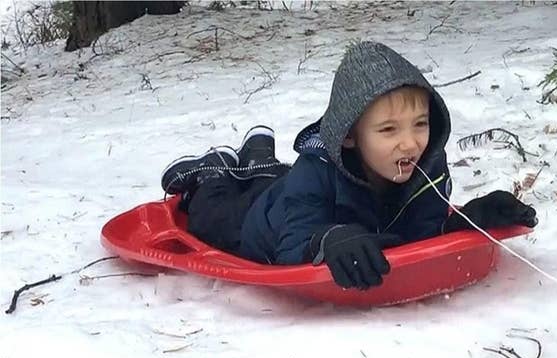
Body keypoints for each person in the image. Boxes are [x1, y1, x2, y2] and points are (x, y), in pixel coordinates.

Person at [160, 41, 538, 290]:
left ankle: (259, 154)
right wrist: (329, 240)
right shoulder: (315, 173)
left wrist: (468, 218)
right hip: (260, 221)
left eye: (420, 124)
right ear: (348, 136)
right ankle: (213, 170)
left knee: (280, 181)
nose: (410, 142)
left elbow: (420, 233)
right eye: (389, 129)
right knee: (211, 216)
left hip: (293, 189)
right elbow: (290, 249)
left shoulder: (425, 165)